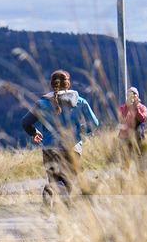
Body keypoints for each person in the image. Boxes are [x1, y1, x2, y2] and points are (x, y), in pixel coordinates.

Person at [21, 69, 99, 211]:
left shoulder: (42, 103)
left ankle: (50, 190)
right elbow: (94, 123)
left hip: (50, 148)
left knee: (54, 181)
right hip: (72, 149)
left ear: (51, 85)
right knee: (68, 185)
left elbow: (25, 122)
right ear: (68, 85)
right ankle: (64, 220)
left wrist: (33, 132)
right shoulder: (80, 102)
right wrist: (81, 130)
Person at [117, 86, 147, 161]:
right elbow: (121, 118)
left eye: (134, 94)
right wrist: (127, 107)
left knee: (140, 160)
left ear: (137, 96)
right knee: (125, 161)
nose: (132, 97)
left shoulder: (142, 107)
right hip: (125, 138)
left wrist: (136, 108)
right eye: (130, 95)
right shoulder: (122, 108)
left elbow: (142, 118)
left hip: (138, 137)